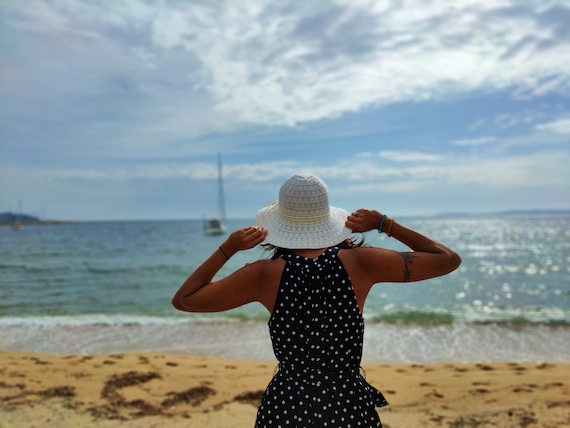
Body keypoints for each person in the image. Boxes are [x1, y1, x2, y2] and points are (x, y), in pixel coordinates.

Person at [173, 174, 461, 428]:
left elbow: (185, 299)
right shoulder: (362, 262)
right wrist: (384, 224)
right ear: (328, 219)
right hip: (348, 405)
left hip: (287, 405)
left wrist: (229, 247)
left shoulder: (263, 274)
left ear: (279, 224)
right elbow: (447, 260)